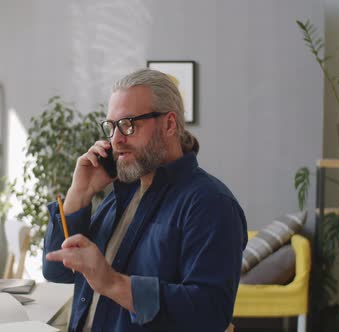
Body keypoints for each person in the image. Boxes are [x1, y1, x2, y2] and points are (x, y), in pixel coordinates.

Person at [43, 68, 247, 332]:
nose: (116, 139)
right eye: (112, 127)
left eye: (129, 124)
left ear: (169, 124)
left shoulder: (211, 204)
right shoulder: (120, 194)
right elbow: (57, 271)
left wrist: (112, 282)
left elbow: (210, 313)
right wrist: (79, 194)